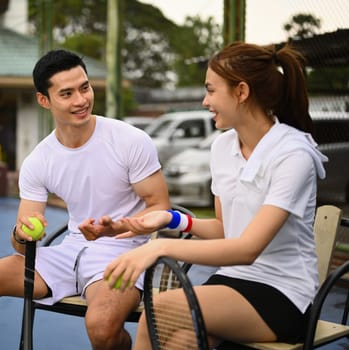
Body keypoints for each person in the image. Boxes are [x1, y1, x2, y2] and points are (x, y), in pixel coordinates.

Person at [98, 42, 328, 349]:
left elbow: (247, 249)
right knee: (182, 339)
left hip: (284, 292)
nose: (205, 101)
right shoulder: (222, 147)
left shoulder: (293, 155)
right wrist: (172, 219)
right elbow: (225, 230)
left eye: (211, 90)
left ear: (241, 92)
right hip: (233, 280)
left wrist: (158, 248)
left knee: (159, 311)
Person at [0, 49, 171, 350]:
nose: (81, 100)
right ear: (44, 100)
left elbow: (160, 206)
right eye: (67, 93)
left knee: (101, 328)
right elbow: (23, 243)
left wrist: (119, 227)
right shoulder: (39, 161)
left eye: (84, 88)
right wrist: (21, 233)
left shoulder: (130, 141)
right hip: (67, 254)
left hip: (123, 254)